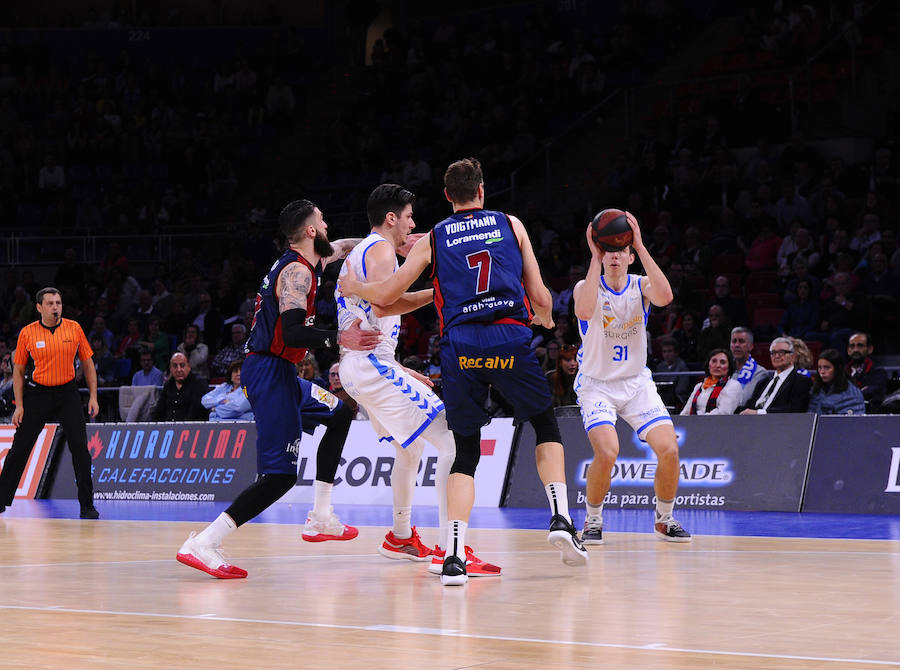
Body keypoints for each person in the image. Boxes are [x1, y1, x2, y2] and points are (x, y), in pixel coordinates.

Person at [339, 159, 587, 586]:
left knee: (464, 450)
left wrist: (354, 287)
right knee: (545, 424)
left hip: (462, 349)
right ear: (482, 191)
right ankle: (562, 518)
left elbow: (384, 297)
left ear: (448, 196)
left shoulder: (434, 237)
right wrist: (545, 317)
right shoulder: (511, 224)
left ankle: (453, 556)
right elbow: (540, 294)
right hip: (509, 339)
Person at [177, 198, 378, 579]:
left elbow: (342, 249)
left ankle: (321, 515)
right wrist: (340, 338)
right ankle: (203, 542)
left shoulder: (309, 260)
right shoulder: (296, 275)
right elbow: (293, 331)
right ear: (310, 230)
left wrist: (383, 243)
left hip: (282, 371)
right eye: (323, 219)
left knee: (339, 414)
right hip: (268, 372)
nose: (327, 223)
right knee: (280, 476)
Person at [335, 183, 489, 575]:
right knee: (453, 440)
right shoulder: (381, 249)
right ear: (391, 218)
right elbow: (388, 300)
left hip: (365, 365)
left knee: (410, 450)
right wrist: (438, 291)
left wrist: (398, 367)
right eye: (407, 217)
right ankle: (449, 547)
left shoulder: (365, 250)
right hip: (370, 364)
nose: (412, 224)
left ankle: (400, 536)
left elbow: (374, 308)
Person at [571, 211, 691, 546]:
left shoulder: (642, 285)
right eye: (608, 250)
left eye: (620, 250)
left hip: (636, 383)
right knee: (608, 452)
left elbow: (666, 297)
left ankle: (664, 519)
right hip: (597, 385)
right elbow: (583, 311)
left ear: (629, 256)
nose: (614, 255)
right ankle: (593, 520)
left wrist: (638, 241)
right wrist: (594, 257)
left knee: (668, 449)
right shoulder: (587, 286)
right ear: (600, 252)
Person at [0, 288, 100, 519]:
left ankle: (87, 505)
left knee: (80, 448)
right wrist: (20, 405)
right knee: (20, 447)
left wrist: (93, 396)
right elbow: (19, 370)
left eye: (58, 303)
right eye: (50, 303)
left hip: (67, 393)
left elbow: (87, 363)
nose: (56, 307)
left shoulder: (74, 328)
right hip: (38, 393)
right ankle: (2, 499)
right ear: (39, 307)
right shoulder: (28, 333)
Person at [738, 337, 812, 414]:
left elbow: (795, 409)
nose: (776, 356)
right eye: (773, 353)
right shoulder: (763, 382)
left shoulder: (801, 381)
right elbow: (749, 406)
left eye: (781, 352)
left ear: (792, 356)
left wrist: (759, 413)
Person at [680, 349, 742, 415]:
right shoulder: (699, 386)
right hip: (694, 423)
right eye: (714, 361)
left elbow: (724, 413)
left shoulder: (733, 386)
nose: (718, 365)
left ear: (729, 367)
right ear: (708, 365)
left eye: (722, 362)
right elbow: (686, 412)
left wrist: (697, 418)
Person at [153, 353, 209, 422]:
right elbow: (158, 411)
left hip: (190, 429)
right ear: (170, 369)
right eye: (175, 366)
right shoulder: (168, 385)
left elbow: (196, 413)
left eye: (182, 365)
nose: (179, 369)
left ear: (189, 367)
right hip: (168, 429)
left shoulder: (199, 383)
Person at [809, 348, 866, 415]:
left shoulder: (851, 394)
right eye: (819, 368)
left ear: (837, 369)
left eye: (827, 368)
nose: (822, 372)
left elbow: (852, 422)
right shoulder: (816, 390)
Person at [729, 326, 772, 408]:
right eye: (734, 341)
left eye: (741, 341)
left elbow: (743, 401)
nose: (737, 345)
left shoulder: (759, 373)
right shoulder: (724, 369)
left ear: (751, 346)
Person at [846, 332, 888, 411]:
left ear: (870, 349)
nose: (855, 350)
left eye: (860, 345)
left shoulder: (878, 372)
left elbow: (872, 394)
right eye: (852, 346)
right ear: (848, 350)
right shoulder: (841, 372)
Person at [654, 337, 692, 409]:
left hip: (677, 400)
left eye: (669, 351)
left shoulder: (682, 366)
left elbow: (681, 389)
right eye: (664, 351)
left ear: (676, 352)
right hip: (661, 400)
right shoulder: (660, 367)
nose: (666, 354)